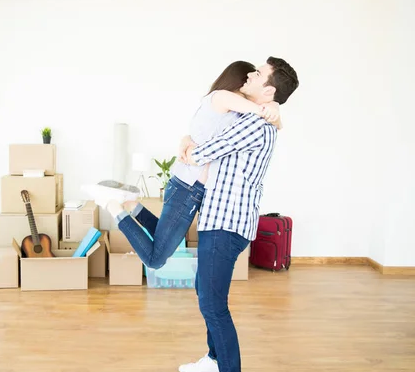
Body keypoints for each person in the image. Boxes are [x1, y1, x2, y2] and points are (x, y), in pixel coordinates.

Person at [82, 61, 282, 270]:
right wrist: (273, 108)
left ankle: (133, 205)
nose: (251, 79)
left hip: (189, 187)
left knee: (164, 239)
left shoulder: (231, 109)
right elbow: (263, 113)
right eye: (248, 78)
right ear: (238, 80)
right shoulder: (222, 97)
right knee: (155, 259)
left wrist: (275, 109)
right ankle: (114, 207)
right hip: (188, 188)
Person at [177, 56, 299, 372]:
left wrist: (188, 148)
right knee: (205, 290)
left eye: (258, 74)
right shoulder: (263, 120)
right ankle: (214, 358)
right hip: (223, 220)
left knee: (213, 305)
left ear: (269, 90)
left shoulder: (255, 124)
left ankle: (229, 371)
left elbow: (210, 149)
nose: (251, 74)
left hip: (225, 224)